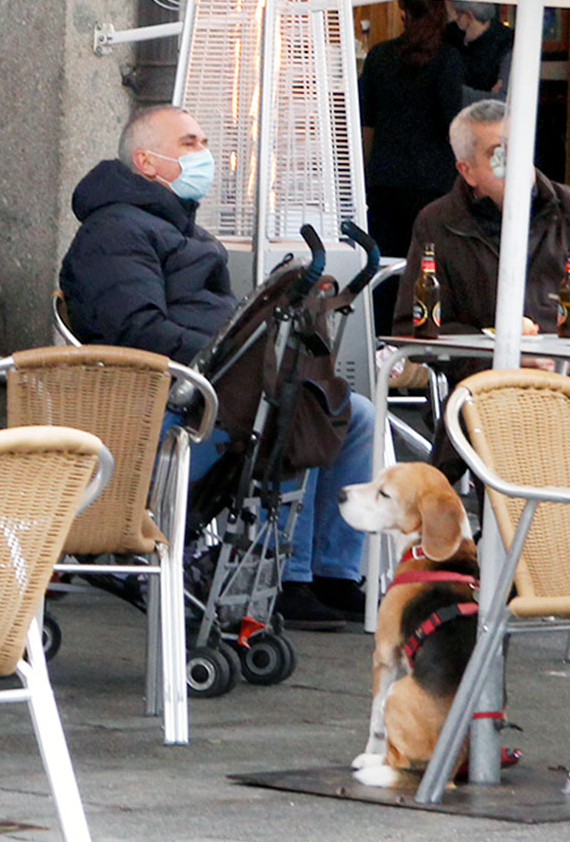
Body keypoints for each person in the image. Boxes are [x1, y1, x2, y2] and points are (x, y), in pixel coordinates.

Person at [59, 104, 377, 630]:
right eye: (189, 143)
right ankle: (290, 576)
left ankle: (332, 573)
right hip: (167, 395)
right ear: (146, 161)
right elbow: (137, 329)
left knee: (349, 410)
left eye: (204, 141)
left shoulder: (187, 231)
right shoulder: (114, 231)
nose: (204, 154)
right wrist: (233, 355)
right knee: (296, 410)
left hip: (216, 381)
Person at [395, 100, 570, 395]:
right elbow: (416, 327)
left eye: (520, 147)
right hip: (484, 393)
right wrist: (497, 359)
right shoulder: (439, 222)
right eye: (499, 154)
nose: (514, 161)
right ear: (468, 171)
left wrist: (568, 363)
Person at [358, 0, 466, 325]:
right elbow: (453, 121)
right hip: (433, 183)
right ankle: (421, 333)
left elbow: (365, 114)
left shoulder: (379, 55)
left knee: (384, 267)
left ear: (404, 15)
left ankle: (381, 339)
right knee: (427, 267)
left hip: (385, 178)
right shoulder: (448, 59)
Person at [446, 0, 514, 100]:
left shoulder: (509, 43)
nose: (455, 21)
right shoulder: (450, 36)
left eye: (458, 17)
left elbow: (502, 100)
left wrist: (449, 90)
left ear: (468, 16)